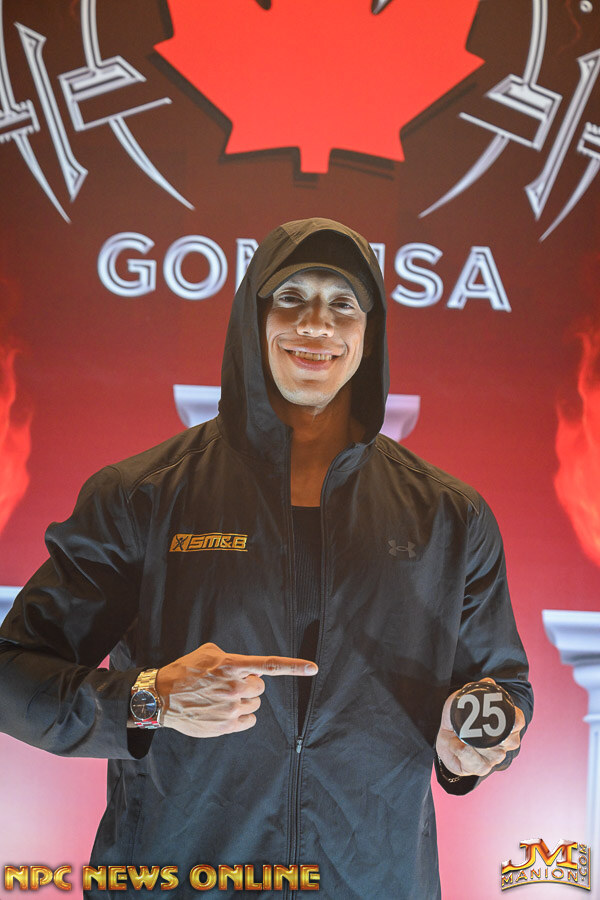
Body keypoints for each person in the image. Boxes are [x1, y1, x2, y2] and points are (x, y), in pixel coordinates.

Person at [0, 217, 532, 898]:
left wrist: (475, 746)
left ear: (369, 333)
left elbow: (500, 689)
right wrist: (151, 699)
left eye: (343, 304)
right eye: (291, 298)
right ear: (253, 321)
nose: (316, 324)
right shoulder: (143, 497)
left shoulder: (450, 518)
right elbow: (13, 674)